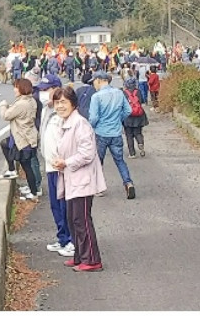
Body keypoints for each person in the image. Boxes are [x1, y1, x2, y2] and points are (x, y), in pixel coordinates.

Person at [52, 84, 106, 272]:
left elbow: (87, 153)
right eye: (57, 103)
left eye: (64, 102)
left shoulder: (80, 124)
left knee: (81, 220)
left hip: (82, 179)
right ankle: (80, 256)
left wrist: (66, 162)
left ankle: (92, 259)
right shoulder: (65, 122)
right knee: (73, 219)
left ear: (73, 103)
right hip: (72, 179)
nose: (60, 106)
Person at [36, 75, 74, 258]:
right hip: (50, 165)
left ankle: (70, 240)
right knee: (55, 205)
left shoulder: (62, 114)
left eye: (47, 89)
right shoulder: (46, 110)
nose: (44, 93)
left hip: (60, 167)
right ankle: (62, 237)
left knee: (63, 205)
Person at [88, 71, 135, 199]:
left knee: (98, 162)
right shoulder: (119, 93)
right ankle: (128, 183)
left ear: (99, 80)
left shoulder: (96, 97)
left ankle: (99, 188)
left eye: (94, 82)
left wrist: (91, 126)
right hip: (116, 132)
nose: (93, 85)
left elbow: (93, 118)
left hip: (101, 133)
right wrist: (118, 119)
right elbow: (128, 110)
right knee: (120, 160)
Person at [0, 78, 40, 199]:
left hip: (22, 138)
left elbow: (6, 115)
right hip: (28, 136)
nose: (14, 89)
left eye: (16, 87)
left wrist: (2, 105)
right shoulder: (31, 100)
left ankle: (33, 192)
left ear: (22, 88)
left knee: (26, 166)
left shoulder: (22, 104)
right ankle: (32, 189)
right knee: (5, 144)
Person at [122, 78, 149, 158]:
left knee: (129, 135)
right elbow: (142, 101)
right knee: (138, 132)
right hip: (139, 116)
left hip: (128, 116)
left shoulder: (124, 93)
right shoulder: (138, 92)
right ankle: (140, 143)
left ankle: (132, 153)